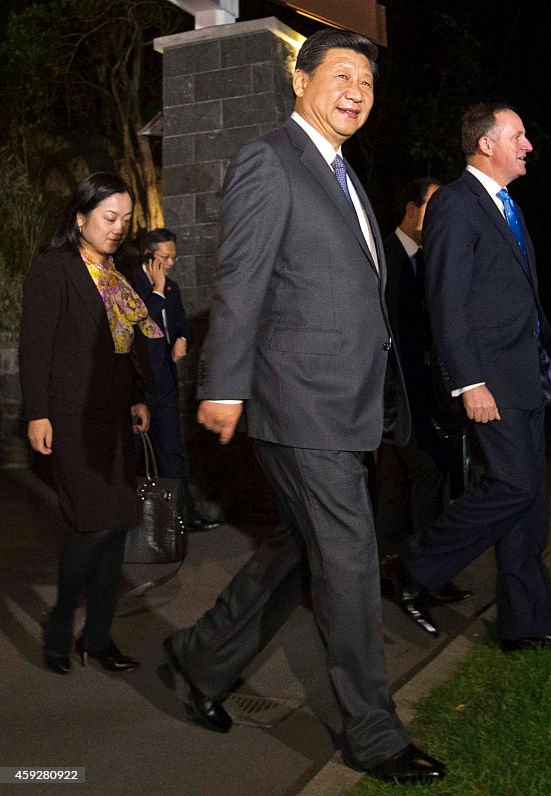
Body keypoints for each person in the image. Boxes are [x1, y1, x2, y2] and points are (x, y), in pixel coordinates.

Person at [158, 30, 444, 785]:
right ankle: (376, 737)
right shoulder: (270, 158)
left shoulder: (346, 175)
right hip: (300, 401)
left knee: (299, 551)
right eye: (341, 74)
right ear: (301, 80)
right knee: (348, 565)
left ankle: (196, 660)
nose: (357, 90)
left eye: (369, 82)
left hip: (348, 403)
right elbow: (242, 276)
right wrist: (223, 383)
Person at [394, 102, 551, 655]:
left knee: (530, 506)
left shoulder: (506, 204)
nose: (529, 145)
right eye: (519, 135)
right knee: (514, 485)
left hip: (524, 375)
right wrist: (469, 382)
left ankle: (528, 626)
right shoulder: (455, 205)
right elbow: (446, 302)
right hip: (489, 381)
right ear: (486, 144)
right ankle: (412, 566)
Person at [20, 172, 161, 675]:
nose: (118, 228)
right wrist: (37, 411)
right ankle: (61, 628)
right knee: (95, 524)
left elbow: (127, 346)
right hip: (70, 420)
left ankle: (98, 638)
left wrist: (138, 397)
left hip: (115, 423)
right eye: (108, 218)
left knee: (116, 528)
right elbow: (35, 348)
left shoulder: (118, 273)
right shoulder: (54, 270)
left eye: (125, 220)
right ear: (80, 218)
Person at [376, 177, 471, 605]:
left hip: (426, 395)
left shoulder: (433, 259)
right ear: (411, 209)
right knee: (425, 476)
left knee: (402, 486)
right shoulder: (382, 256)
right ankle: (423, 573)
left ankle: (400, 571)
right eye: (433, 206)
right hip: (392, 398)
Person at [130, 228, 222, 532]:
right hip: (139, 384)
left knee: (172, 451)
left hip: (166, 381)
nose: (171, 263)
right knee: (144, 455)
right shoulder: (131, 285)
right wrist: (156, 289)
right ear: (149, 256)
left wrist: (182, 336)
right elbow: (139, 325)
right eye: (165, 257)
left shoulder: (173, 288)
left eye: (173, 256)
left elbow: (181, 321)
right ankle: (152, 522)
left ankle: (184, 516)